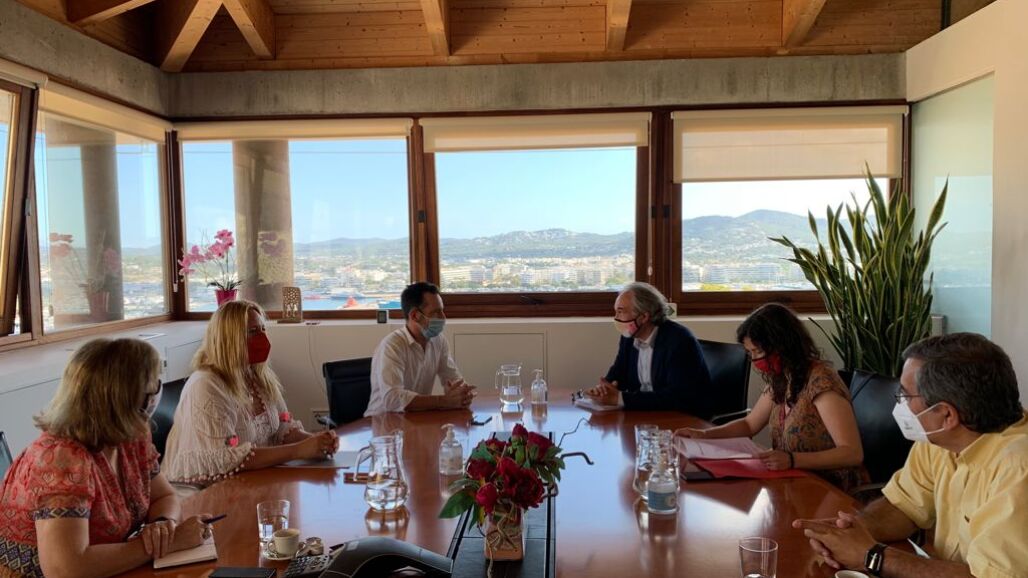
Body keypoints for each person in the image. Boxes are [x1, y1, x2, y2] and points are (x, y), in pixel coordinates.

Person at [794, 333, 1027, 578]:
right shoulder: (942, 438)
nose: (900, 404)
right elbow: (904, 505)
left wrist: (872, 556)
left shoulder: (1019, 468)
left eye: (905, 395)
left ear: (946, 415)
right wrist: (852, 530)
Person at [0, 338, 212, 578]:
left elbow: (164, 496)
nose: (158, 391)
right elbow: (65, 569)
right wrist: (166, 544)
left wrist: (163, 526)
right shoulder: (62, 458)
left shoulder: (132, 436)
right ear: (129, 398)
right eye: (154, 384)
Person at [677, 303, 868, 492]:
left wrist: (792, 459)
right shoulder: (782, 378)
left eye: (758, 352)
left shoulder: (822, 383)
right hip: (793, 481)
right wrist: (704, 435)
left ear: (782, 345)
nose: (754, 360)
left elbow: (852, 453)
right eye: (750, 353)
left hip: (831, 488)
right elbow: (749, 425)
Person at [163, 300, 338, 485]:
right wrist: (299, 450)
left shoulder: (257, 375)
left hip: (249, 479)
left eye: (263, 329)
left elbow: (282, 427)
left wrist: (316, 442)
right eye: (253, 331)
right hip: (201, 488)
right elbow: (224, 458)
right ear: (229, 339)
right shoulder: (206, 385)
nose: (262, 337)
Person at [585, 282, 712, 416]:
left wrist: (620, 398)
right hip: (645, 415)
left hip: (683, 418)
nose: (616, 318)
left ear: (644, 317)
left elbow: (677, 397)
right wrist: (603, 390)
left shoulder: (679, 340)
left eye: (621, 312)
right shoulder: (629, 337)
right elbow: (619, 373)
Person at [365, 282, 476, 416]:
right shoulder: (392, 345)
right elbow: (392, 399)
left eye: (442, 310)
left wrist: (462, 394)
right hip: (381, 422)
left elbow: (453, 379)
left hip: (415, 419)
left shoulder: (438, 341)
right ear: (414, 316)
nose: (443, 317)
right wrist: (444, 401)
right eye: (436, 312)